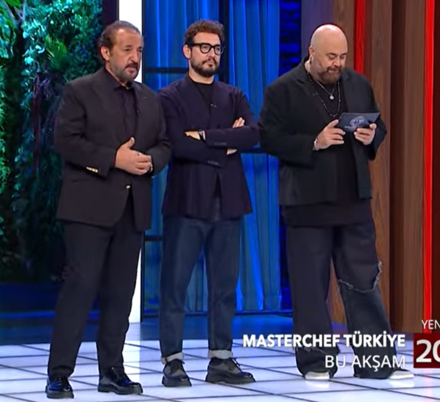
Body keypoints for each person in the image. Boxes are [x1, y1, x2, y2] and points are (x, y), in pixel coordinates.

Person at [258, 24, 413, 381]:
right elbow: (268, 137)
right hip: (306, 205)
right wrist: (313, 142)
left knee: (364, 281)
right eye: (330, 57)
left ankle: (376, 360)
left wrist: (372, 136)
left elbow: (379, 126)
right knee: (310, 288)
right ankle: (317, 362)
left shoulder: (357, 84)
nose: (337, 64)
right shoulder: (282, 90)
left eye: (342, 57)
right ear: (312, 52)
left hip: (353, 202)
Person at [45, 20, 171, 399]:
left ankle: (112, 371)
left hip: (132, 209)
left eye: (139, 51)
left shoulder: (149, 98)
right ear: (106, 52)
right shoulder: (80, 91)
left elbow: (164, 143)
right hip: (88, 209)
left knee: (121, 294)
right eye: (127, 50)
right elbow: (65, 141)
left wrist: (151, 161)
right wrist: (114, 158)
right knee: (80, 289)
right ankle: (59, 374)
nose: (135, 58)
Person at [156, 19, 259, 387]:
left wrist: (204, 136)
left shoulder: (234, 95)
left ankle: (221, 359)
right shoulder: (169, 97)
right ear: (187, 51)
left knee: (225, 286)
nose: (211, 54)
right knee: (175, 285)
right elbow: (178, 145)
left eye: (216, 49)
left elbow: (252, 134)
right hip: (187, 202)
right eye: (204, 47)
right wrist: (225, 142)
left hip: (229, 202)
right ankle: (173, 361)